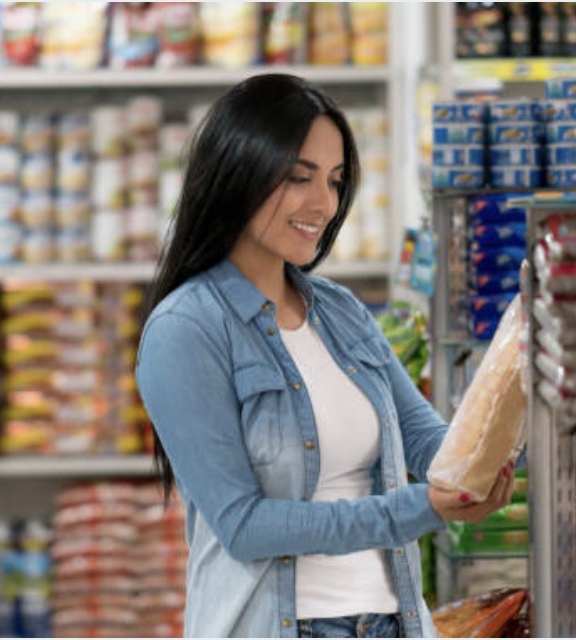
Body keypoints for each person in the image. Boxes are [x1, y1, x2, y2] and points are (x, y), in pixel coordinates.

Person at [134, 73, 514, 638]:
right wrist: (423, 509)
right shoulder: (185, 330)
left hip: (394, 622)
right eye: (298, 178)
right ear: (239, 173)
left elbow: (432, 446)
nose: (325, 203)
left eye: (335, 181)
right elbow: (245, 526)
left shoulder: (340, 311)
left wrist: (526, 402)